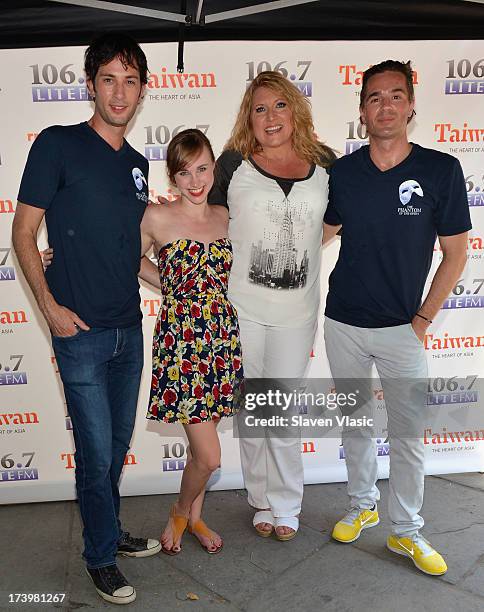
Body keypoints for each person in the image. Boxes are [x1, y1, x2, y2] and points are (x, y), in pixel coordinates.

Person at [12, 33, 160, 605]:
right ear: (91, 84)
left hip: (129, 329)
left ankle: (108, 530)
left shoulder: (138, 166)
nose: (119, 92)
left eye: (130, 81)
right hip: (80, 333)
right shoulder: (57, 144)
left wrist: (184, 287)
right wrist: (50, 309)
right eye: (108, 79)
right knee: (96, 452)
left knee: (115, 446)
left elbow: (129, 253)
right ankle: (99, 557)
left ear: (143, 90)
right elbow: (23, 233)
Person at [322, 60, 471, 575]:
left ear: (410, 104)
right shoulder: (342, 172)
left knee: (407, 435)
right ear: (361, 110)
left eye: (394, 96)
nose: (384, 106)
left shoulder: (440, 171)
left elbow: (455, 254)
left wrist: (423, 320)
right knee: (356, 423)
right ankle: (361, 505)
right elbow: (316, 233)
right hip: (341, 321)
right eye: (374, 98)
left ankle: (406, 531)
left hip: (403, 329)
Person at [208, 71, 335, 540]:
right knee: (252, 408)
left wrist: (300, 256)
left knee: (280, 410)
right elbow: (210, 222)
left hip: (297, 312)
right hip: (241, 307)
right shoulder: (232, 164)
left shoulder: (326, 164)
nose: (270, 117)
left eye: (279, 105)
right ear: (249, 118)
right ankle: (261, 499)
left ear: (295, 110)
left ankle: (287, 504)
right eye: (259, 109)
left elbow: (335, 219)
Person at [141, 128, 243, 554]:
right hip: (182, 343)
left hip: (221, 337)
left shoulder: (225, 216)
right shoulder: (156, 217)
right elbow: (129, 259)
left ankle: (196, 518)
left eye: (203, 169)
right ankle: (181, 511)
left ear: (213, 168)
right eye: (185, 173)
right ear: (173, 178)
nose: (196, 181)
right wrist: (175, 287)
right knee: (211, 456)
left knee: (202, 450)